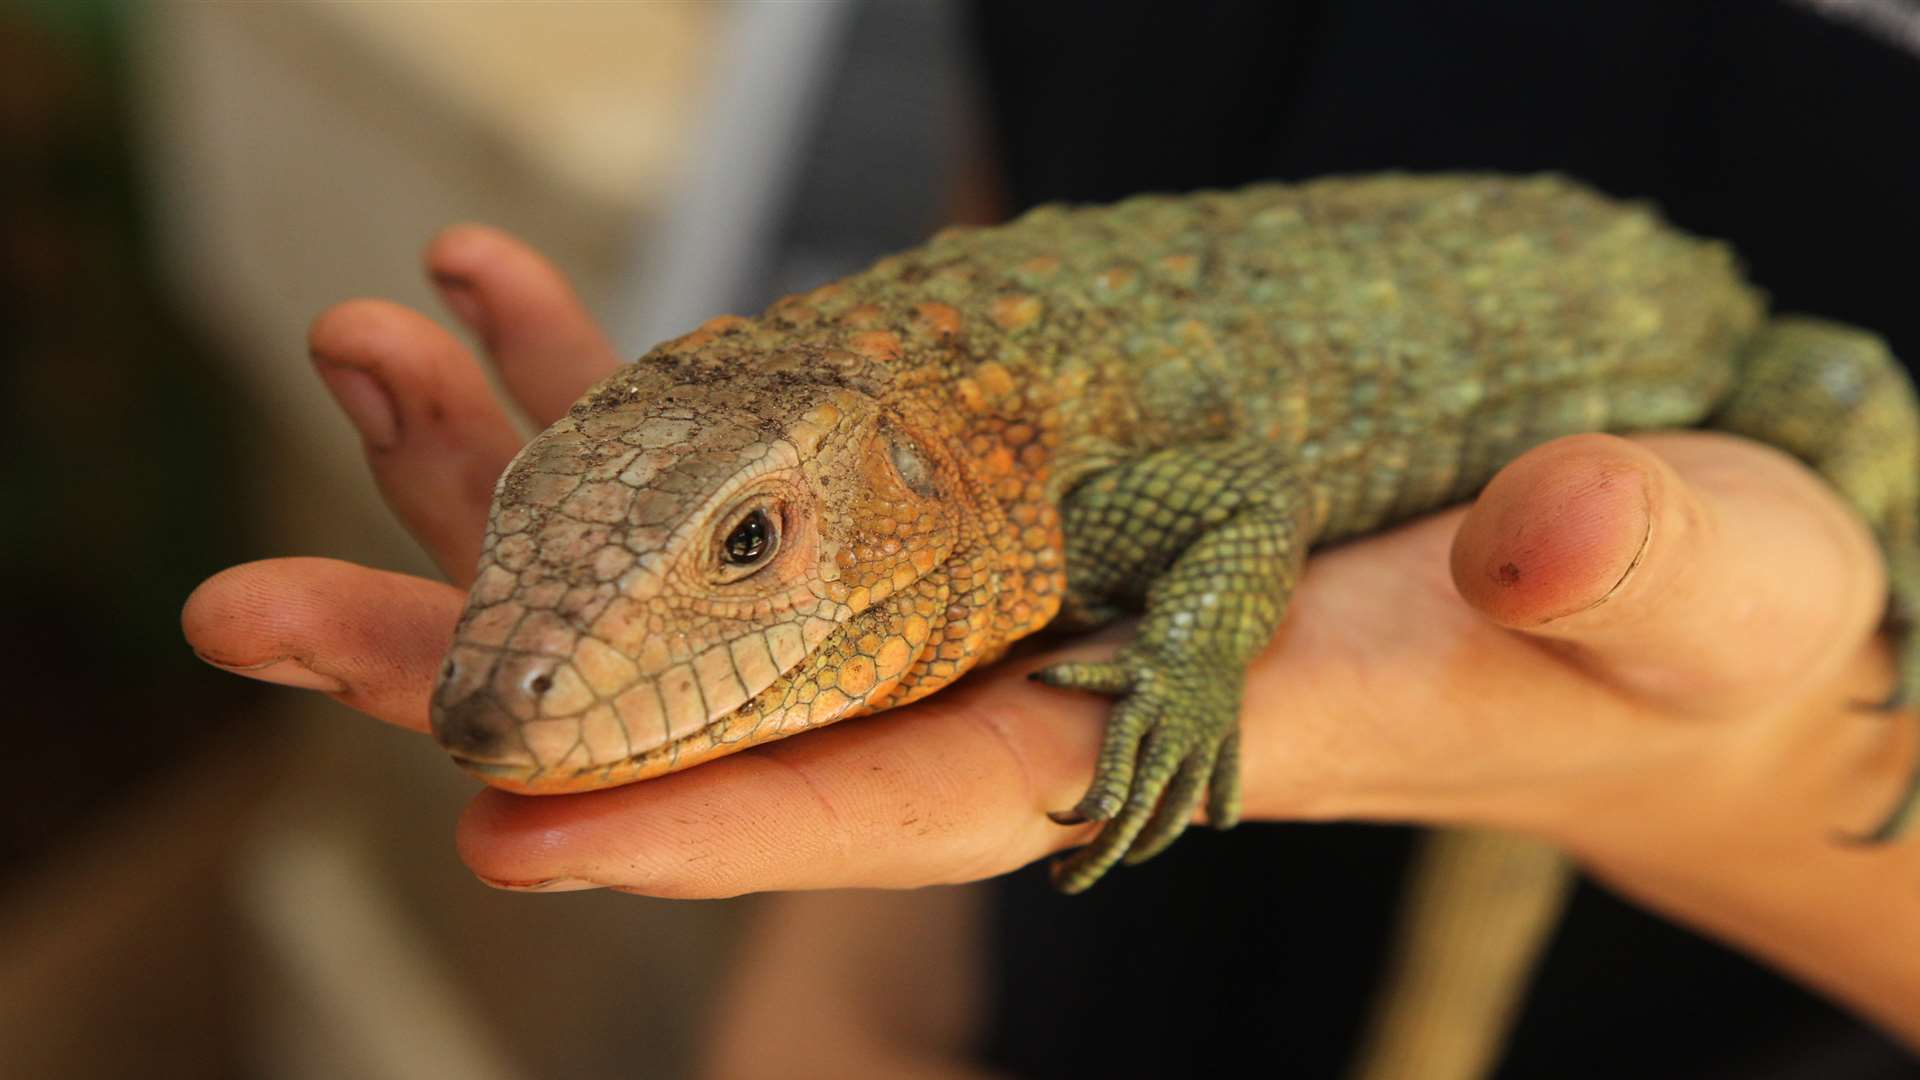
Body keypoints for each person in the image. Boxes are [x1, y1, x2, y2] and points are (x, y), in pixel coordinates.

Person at [184, 1, 1920, 1074]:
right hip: (1034, 986)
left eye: (748, 548)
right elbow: (1015, 172)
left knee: (1844, 392)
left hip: (1749, 964)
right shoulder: (962, 456)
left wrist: (1762, 778)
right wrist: (828, 975)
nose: (517, 684)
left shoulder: (1075, 507)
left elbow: (1233, 508)